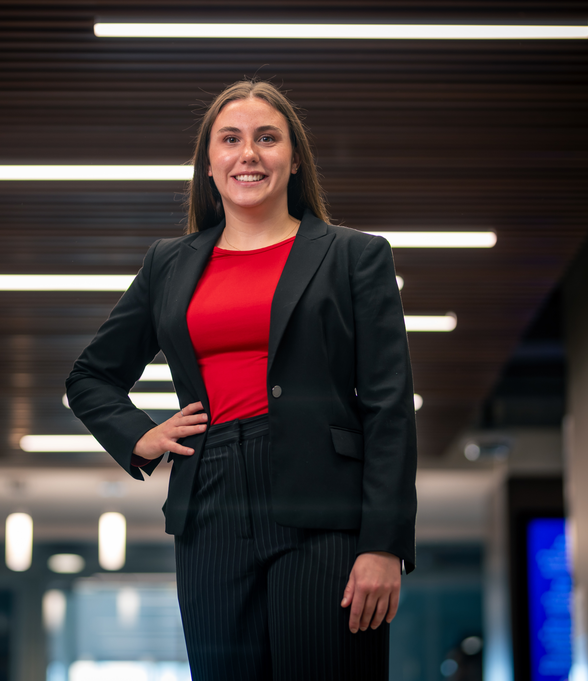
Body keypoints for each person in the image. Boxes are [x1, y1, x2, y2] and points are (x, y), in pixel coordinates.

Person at [66, 80, 417, 680]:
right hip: (210, 506)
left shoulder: (354, 256)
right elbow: (90, 376)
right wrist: (140, 436)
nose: (247, 153)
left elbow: (388, 407)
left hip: (324, 507)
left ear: (295, 158)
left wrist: (383, 544)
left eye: (267, 138)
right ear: (208, 163)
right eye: (230, 139)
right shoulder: (167, 264)